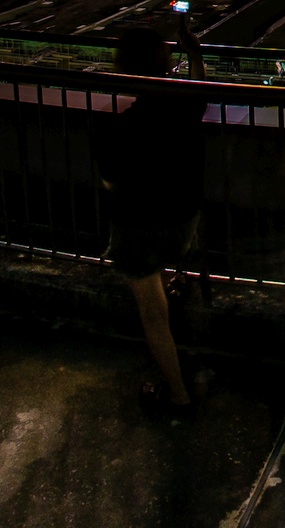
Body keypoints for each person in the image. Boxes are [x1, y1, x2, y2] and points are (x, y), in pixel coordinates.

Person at [94, 24, 208, 415]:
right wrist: (194, 55)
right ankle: (171, 283)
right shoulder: (186, 106)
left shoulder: (121, 128)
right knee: (159, 258)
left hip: (142, 228)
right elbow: (199, 91)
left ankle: (176, 394)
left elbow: (111, 181)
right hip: (184, 220)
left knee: (152, 314)